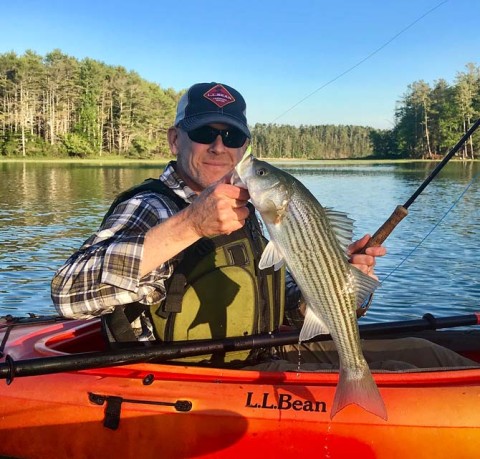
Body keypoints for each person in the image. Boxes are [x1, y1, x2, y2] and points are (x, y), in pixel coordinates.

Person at [51, 82, 476, 370]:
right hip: (202, 380)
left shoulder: (247, 209)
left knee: (432, 357)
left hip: (267, 348)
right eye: (204, 132)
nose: (220, 147)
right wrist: (191, 225)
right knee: (402, 375)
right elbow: (68, 293)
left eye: (233, 137)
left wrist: (338, 278)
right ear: (174, 140)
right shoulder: (152, 206)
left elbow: (286, 308)